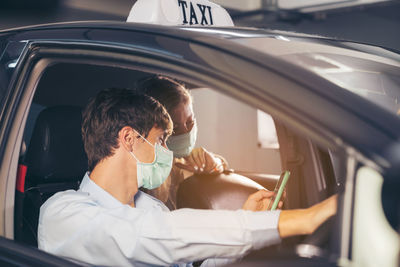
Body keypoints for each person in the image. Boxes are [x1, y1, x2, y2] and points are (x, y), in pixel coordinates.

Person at [38, 88, 337, 267]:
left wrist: (241, 226)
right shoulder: (62, 213)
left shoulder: (150, 208)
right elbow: (156, 236)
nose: (168, 152)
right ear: (129, 139)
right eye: (161, 140)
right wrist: (302, 219)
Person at [136, 76, 228, 210]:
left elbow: (221, 166)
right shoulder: (140, 171)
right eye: (176, 128)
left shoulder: (186, 163)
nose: (186, 132)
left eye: (190, 122)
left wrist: (212, 164)